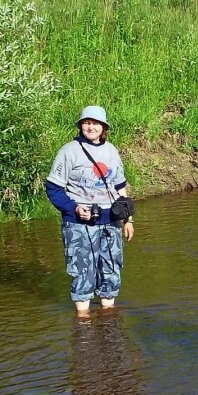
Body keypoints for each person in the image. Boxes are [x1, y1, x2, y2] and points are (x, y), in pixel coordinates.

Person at [45, 105, 135, 315]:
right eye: (87, 122)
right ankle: (83, 323)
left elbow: (120, 188)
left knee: (111, 270)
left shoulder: (111, 151)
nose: (91, 127)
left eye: (95, 123)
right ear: (80, 126)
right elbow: (53, 188)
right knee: (82, 272)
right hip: (78, 224)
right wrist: (73, 208)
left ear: (104, 128)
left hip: (110, 221)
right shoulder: (69, 151)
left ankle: (108, 319)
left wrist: (128, 219)